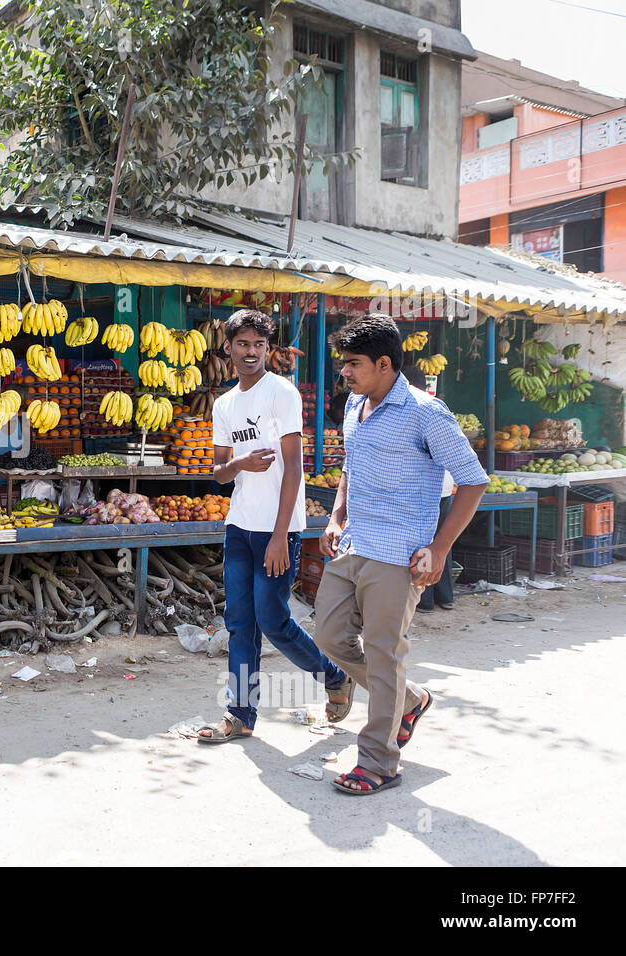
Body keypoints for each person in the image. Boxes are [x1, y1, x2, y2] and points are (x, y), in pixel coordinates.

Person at [317, 315, 488, 795]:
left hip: (399, 553)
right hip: (355, 543)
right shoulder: (355, 404)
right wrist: (336, 516)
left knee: (383, 653)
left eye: (353, 364)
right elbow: (353, 462)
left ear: (385, 364)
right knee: (329, 637)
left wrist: (439, 548)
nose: (345, 373)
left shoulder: (426, 413)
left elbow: (474, 480)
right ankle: (409, 701)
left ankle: (378, 762)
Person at [196, 309, 352, 744]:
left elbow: (294, 470)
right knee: (239, 622)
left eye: (259, 345)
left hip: (276, 528)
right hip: (239, 527)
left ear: (268, 350)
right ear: (228, 347)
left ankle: (334, 676)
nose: (250, 352)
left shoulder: (281, 393)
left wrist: (282, 535)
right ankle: (240, 715)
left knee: (274, 619)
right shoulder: (225, 404)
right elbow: (219, 474)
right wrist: (240, 463)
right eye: (242, 344)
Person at [402, 364, 456, 612]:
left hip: (428, 491)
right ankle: (446, 597)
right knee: (440, 544)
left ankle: (424, 599)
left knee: (424, 544)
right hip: (444, 488)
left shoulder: (420, 410)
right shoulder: (436, 407)